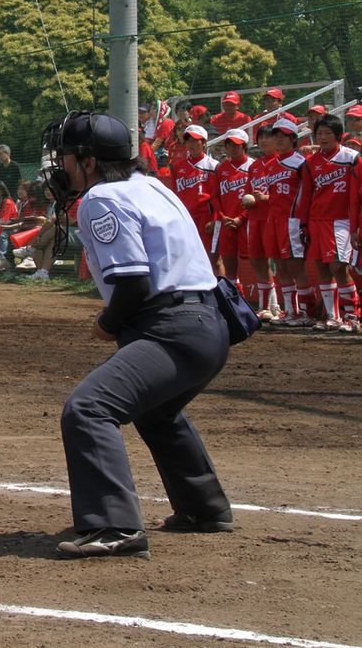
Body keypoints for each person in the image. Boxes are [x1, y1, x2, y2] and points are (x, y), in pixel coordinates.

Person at [41, 111, 232, 560]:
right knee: (156, 413)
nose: (60, 166)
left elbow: (132, 284)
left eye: (67, 156)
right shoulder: (152, 184)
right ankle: (204, 508)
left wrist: (106, 325)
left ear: (88, 161)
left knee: (89, 409)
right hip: (209, 325)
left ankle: (114, 525)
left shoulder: (101, 198)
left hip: (173, 330)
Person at [302, 114, 359, 332]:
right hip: (317, 219)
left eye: (327, 133)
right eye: (319, 133)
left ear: (337, 135)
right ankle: (333, 317)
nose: (323, 137)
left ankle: (352, 315)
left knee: (338, 266)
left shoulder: (351, 158)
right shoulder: (311, 163)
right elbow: (306, 195)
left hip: (341, 220)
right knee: (322, 268)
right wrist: (304, 224)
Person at [260, 118, 315, 327]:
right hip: (273, 221)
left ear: (294, 139)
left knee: (295, 266)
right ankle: (291, 311)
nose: (279, 139)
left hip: (292, 221)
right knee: (281, 267)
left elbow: (308, 192)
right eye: (276, 136)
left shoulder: (301, 163)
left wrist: (304, 222)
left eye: (284, 136)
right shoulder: (272, 165)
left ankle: (307, 313)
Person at [170, 124, 220, 272]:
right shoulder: (178, 167)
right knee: (189, 260)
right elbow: (175, 195)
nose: (191, 144)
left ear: (204, 143)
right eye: (188, 140)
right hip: (186, 218)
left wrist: (215, 219)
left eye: (195, 140)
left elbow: (218, 197)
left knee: (214, 261)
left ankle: (220, 293)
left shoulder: (213, 166)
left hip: (206, 217)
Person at [244, 125, 282, 320]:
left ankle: (275, 306)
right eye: (262, 137)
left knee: (275, 263)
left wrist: (266, 197)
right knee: (257, 261)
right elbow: (248, 190)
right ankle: (268, 306)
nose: (265, 141)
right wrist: (248, 198)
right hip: (255, 218)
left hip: (273, 218)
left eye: (269, 137)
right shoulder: (255, 165)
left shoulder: (281, 162)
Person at [212, 129, 254, 285]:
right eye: (229, 144)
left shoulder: (253, 166)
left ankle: (271, 305)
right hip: (227, 222)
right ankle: (234, 302)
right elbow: (215, 197)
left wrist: (240, 218)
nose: (233, 148)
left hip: (248, 222)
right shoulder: (221, 169)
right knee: (230, 268)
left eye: (237, 145)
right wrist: (223, 217)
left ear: (244, 146)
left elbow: (256, 197)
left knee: (260, 264)